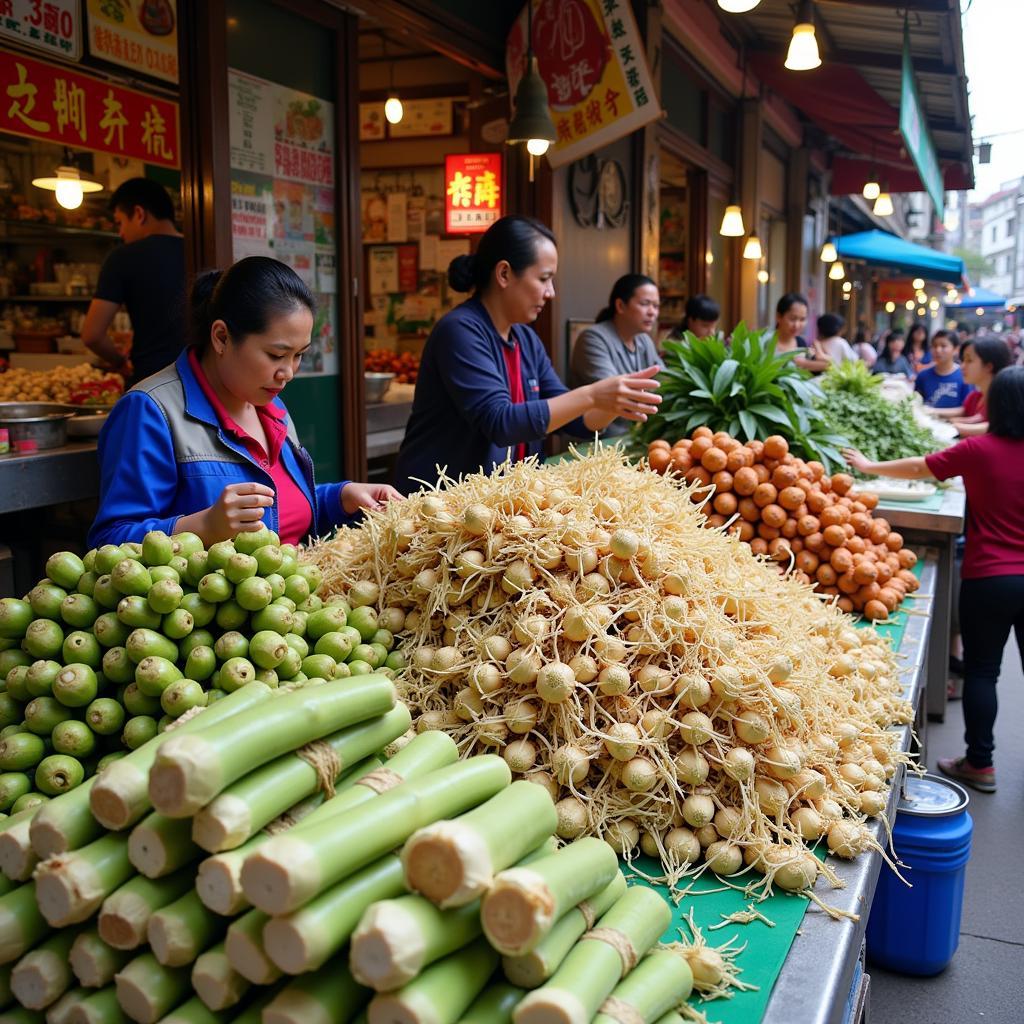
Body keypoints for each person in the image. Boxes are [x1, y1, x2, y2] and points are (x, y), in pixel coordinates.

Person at [89, 257, 398, 547]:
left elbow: (276, 508)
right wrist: (203, 526)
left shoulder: (272, 408)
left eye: (299, 355)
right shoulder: (151, 411)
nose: (288, 372)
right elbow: (110, 541)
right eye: (276, 355)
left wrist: (341, 497)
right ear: (221, 337)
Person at [843, 366, 1024, 794]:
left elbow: (921, 468)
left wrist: (868, 465)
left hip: (989, 578)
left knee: (982, 673)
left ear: (994, 407)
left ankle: (979, 764)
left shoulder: (978, 450)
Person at [393, 216, 661, 493]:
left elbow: (573, 419)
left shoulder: (526, 339)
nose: (551, 293)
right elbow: (500, 422)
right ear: (504, 274)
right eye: (544, 279)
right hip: (438, 503)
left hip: (500, 503)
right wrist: (592, 395)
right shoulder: (460, 330)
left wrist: (611, 405)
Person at [81, 178, 186, 385]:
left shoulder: (123, 257)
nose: (120, 233)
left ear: (139, 214)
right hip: (203, 383)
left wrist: (119, 361)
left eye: (120, 222)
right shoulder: (204, 250)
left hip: (151, 383)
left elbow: (92, 335)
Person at [569, 274, 662, 437]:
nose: (652, 312)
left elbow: (664, 383)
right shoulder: (592, 338)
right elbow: (617, 395)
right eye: (645, 304)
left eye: (656, 306)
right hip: (597, 442)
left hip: (635, 437)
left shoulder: (644, 341)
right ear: (620, 305)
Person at [937, 337, 1012, 435]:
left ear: (989, 366)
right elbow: (967, 415)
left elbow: (999, 427)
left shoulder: (1006, 400)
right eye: (963, 360)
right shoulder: (975, 396)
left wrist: (952, 426)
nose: (962, 366)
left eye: (969, 360)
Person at [913, 330, 973, 410]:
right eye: (934, 346)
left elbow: (966, 409)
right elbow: (915, 403)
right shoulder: (923, 375)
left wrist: (933, 412)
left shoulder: (964, 375)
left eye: (943, 346)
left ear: (955, 349)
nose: (938, 350)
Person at [770, 293, 829, 372]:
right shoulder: (766, 342)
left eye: (802, 319)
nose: (797, 325)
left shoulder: (800, 342)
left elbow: (830, 365)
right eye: (792, 319)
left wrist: (820, 354)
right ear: (779, 317)